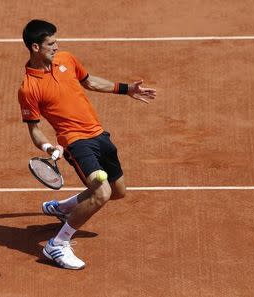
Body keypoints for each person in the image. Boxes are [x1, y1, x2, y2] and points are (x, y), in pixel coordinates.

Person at [18, 19, 156, 270]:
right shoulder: (29, 88)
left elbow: (90, 81)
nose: (56, 46)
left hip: (99, 134)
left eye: (56, 41)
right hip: (76, 142)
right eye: (51, 43)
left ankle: (64, 207)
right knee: (101, 192)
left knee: (117, 192)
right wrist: (49, 148)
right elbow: (34, 129)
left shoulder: (67, 60)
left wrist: (126, 89)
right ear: (35, 47)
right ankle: (56, 245)